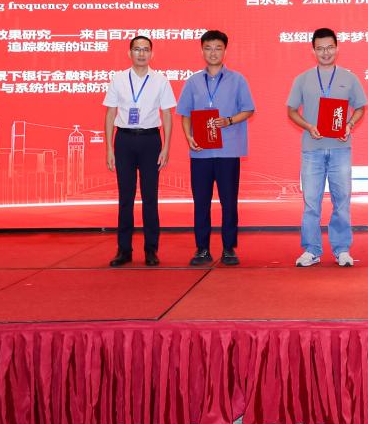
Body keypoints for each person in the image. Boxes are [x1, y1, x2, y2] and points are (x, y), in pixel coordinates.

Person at [286, 28, 368, 267]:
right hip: (312, 149)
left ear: (337, 48)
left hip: (340, 149)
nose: (325, 52)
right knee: (311, 202)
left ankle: (342, 249)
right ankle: (311, 250)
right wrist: (308, 126)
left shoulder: (349, 78)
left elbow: (361, 107)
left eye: (330, 47)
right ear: (313, 51)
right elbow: (291, 110)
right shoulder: (302, 79)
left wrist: (349, 125)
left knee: (342, 201)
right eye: (320, 48)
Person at [176, 30, 255, 267]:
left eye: (218, 48)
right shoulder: (193, 81)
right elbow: (185, 114)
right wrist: (189, 137)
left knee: (228, 202)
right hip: (200, 152)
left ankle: (229, 248)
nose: (213, 52)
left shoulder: (238, 79)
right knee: (201, 202)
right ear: (202, 51)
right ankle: (202, 249)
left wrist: (229, 120)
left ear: (225, 51)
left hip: (228, 152)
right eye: (208, 48)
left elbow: (248, 109)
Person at [103, 35, 176, 267]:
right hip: (124, 140)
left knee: (150, 198)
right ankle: (124, 250)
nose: (141, 53)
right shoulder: (118, 79)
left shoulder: (161, 81)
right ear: (129, 53)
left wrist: (166, 147)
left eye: (145, 49)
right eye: (137, 49)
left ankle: (151, 249)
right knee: (125, 198)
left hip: (150, 141)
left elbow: (167, 115)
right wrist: (109, 148)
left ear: (151, 53)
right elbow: (110, 114)